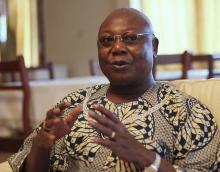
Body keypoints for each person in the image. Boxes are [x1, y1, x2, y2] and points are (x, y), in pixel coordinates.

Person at [8, 8, 220, 172]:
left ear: (154, 47)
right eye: (107, 40)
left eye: (130, 38)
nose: (117, 48)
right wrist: (41, 146)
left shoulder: (187, 111)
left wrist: (147, 158)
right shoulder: (73, 105)